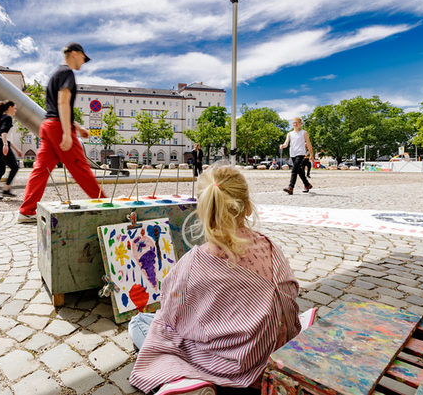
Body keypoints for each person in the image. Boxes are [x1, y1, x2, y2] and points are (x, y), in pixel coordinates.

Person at [129, 163, 301, 395]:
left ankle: (188, 381)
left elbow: (171, 314)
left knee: (141, 324)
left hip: (234, 360)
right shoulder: (270, 246)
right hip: (271, 348)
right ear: (247, 208)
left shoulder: (196, 261)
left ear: (201, 211)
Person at [17, 42, 105, 223]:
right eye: (83, 57)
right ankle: (105, 204)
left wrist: (77, 127)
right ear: (75, 54)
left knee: (40, 171)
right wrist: (67, 132)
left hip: (48, 125)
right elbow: (63, 102)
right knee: (80, 168)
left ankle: (26, 211)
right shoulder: (67, 74)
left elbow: (57, 106)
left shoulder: (55, 74)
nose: (83, 62)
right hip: (58, 127)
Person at [0, 100, 22, 201]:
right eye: (14, 108)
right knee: (14, 166)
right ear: (9, 107)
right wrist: (5, 145)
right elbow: (4, 132)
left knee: (0, 170)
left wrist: (16, 149)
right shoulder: (7, 118)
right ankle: (6, 189)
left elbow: (5, 136)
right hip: (1, 143)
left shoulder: (3, 117)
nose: (15, 110)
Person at [279, 117, 314, 194]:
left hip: (300, 153)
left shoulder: (304, 133)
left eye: (297, 122)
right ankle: (307, 184)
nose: (295, 124)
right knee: (300, 171)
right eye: (293, 123)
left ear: (300, 124)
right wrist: (283, 146)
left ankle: (290, 188)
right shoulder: (289, 134)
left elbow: (309, 144)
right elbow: (286, 143)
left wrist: (311, 154)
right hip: (292, 154)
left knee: (294, 169)